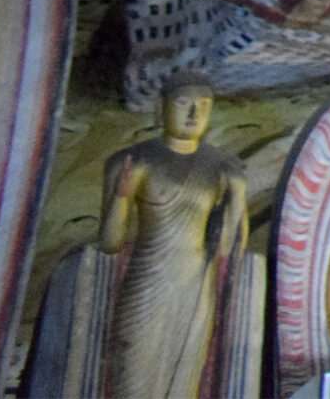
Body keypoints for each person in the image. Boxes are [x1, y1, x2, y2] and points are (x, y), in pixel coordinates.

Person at [99, 74, 251, 399]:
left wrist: (237, 197)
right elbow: (110, 243)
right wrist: (122, 197)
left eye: (204, 106)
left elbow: (230, 248)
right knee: (133, 377)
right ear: (161, 109)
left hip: (195, 283)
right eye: (183, 104)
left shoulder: (221, 166)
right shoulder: (135, 161)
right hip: (148, 279)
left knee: (184, 382)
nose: (194, 114)